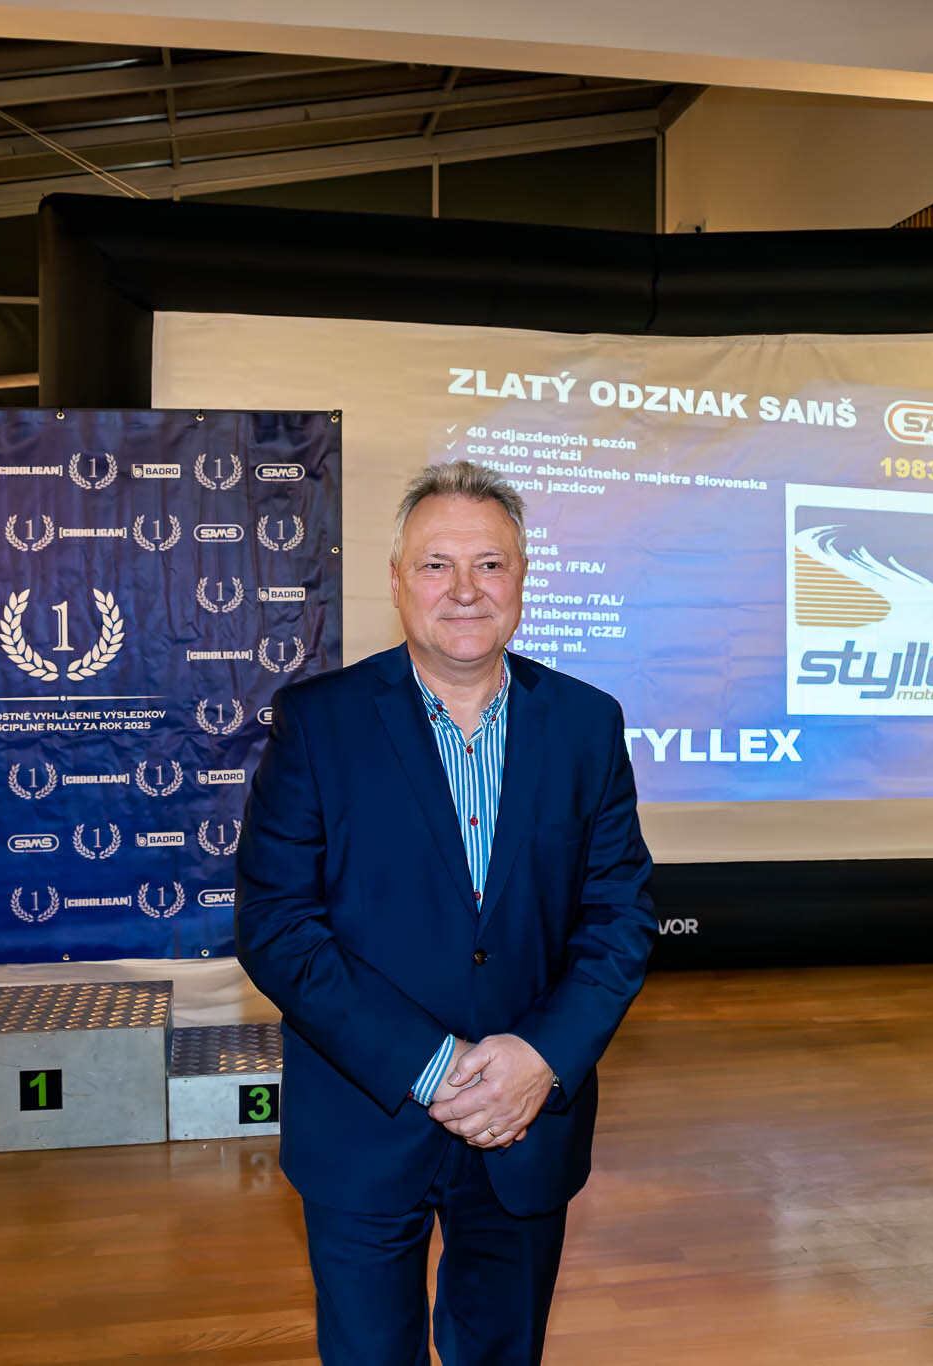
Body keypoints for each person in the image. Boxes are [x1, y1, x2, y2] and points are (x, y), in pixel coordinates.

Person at [235, 459, 657, 1365]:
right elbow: (277, 923)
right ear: (397, 581)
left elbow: (619, 917)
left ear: (522, 578)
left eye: (489, 564)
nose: (465, 589)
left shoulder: (586, 724)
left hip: (527, 1119)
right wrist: (432, 1067)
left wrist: (541, 1058)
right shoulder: (317, 723)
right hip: (364, 1118)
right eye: (436, 565)